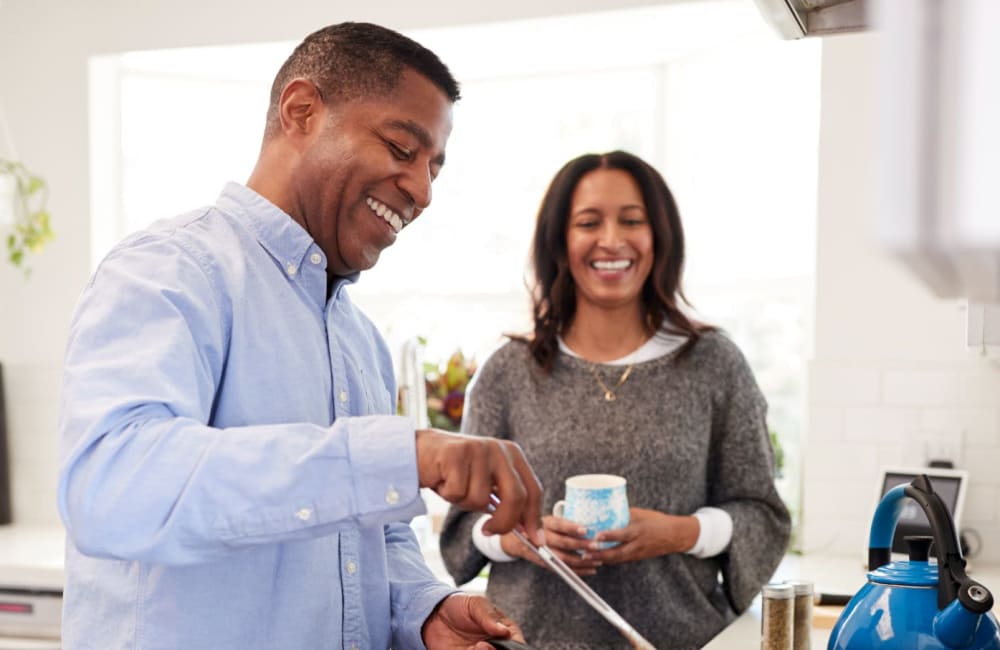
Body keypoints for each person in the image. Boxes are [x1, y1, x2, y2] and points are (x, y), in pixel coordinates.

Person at [57, 22, 543, 650]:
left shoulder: (360, 341)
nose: (422, 191)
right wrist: (404, 454)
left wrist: (422, 610)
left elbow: (375, 542)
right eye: (401, 148)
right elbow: (113, 487)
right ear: (302, 111)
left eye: (433, 170)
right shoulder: (169, 272)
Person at [439, 151, 791, 649]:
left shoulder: (715, 364)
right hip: (530, 641)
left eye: (632, 220)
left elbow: (763, 515)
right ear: (561, 240)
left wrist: (681, 532)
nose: (611, 240)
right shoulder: (508, 371)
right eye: (588, 222)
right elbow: (462, 529)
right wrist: (528, 538)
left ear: (659, 238)